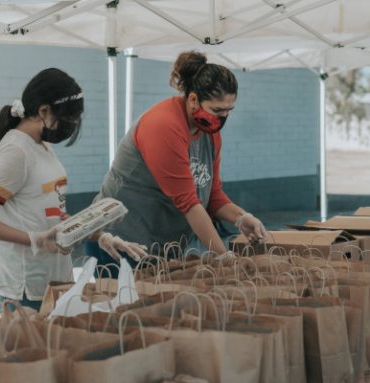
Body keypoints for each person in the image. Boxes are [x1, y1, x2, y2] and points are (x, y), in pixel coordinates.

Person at [0, 68, 146, 312]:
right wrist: (34, 238)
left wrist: (96, 233)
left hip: (52, 279)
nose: (70, 126)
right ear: (43, 111)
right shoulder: (15, 151)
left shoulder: (42, 145)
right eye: (68, 119)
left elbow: (52, 215)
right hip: (21, 286)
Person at [86, 51, 267, 272]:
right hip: (121, 243)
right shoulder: (163, 126)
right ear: (193, 100)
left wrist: (241, 217)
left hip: (160, 247)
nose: (223, 118)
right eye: (217, 110)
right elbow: (189, 203)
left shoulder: (209, 132)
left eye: (229, 111)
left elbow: (212, 194)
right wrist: (224, 257)